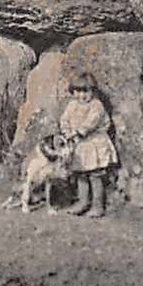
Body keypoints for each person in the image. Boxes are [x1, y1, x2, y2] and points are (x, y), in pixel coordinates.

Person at [58, 72, 117, 217]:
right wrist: (66, 131)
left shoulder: (96, 106)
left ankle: (97, 205)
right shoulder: (72, 105)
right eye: (78, 91)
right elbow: (64, 119)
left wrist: (78, 131)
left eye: (86, 91)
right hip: (79, 145)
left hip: (94, 143)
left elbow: (91, 122)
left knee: (95, 175)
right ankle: (82, 202)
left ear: (93, 91)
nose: (81, 95)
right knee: (80, 174)